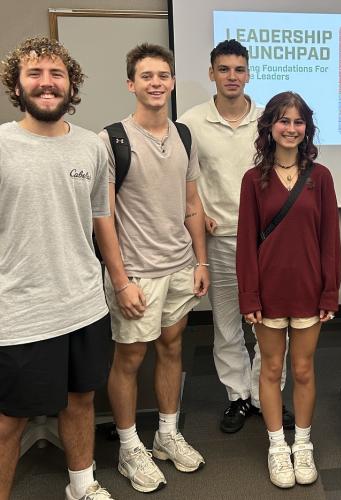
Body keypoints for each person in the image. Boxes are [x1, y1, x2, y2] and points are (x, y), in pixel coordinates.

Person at [0, 36, 113, 500]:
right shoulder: (2, 144)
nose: (46, 83)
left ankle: (81, 486)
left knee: (82, 399)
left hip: (85, 303)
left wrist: (119, 282)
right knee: (11, 419)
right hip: (22, 309)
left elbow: (101, 219)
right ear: (17, 83)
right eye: (35, 74)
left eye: (56, 74)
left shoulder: (91, 146)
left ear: (71, 85)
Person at [94, 43, 207, 493]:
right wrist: (120, 281)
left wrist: (199, 260)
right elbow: (103, 218)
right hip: (136, 273)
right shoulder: (111, 140)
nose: (156, 83)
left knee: (173, 348)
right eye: (146, 76)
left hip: (180, 266)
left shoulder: (183, 136)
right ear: (131, 84)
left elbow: (192, 203)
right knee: (129, 358)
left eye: (163, 75)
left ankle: (166, 434)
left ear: (173, 81)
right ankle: (128, 447)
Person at [179, 39, 293, 434]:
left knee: (271, 324)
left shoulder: (268, 119)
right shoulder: (190, 122)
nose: (232, 76)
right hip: (221, 240)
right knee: (228, 325)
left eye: (239, 69)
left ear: (248, 73)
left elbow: (286, 172)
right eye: (224, 69)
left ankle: (267, 395)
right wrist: (199, 212)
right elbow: (180, 178)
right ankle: (239, 397)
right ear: (211, 73)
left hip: (268, 241)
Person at [236, 91, 341, 489]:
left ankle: (304, 442)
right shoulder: (253, 180)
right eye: (284, 121)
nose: (291, 129)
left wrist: (330, 293)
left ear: (306, 128)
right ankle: (277, 445)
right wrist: (249, 296)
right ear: (270, 127)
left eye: (298, 122)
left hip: (309, 292)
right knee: (271, 368)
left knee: (302, 369)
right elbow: (246, 242)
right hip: (268, 294)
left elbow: (330, 239)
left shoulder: (321, 177)